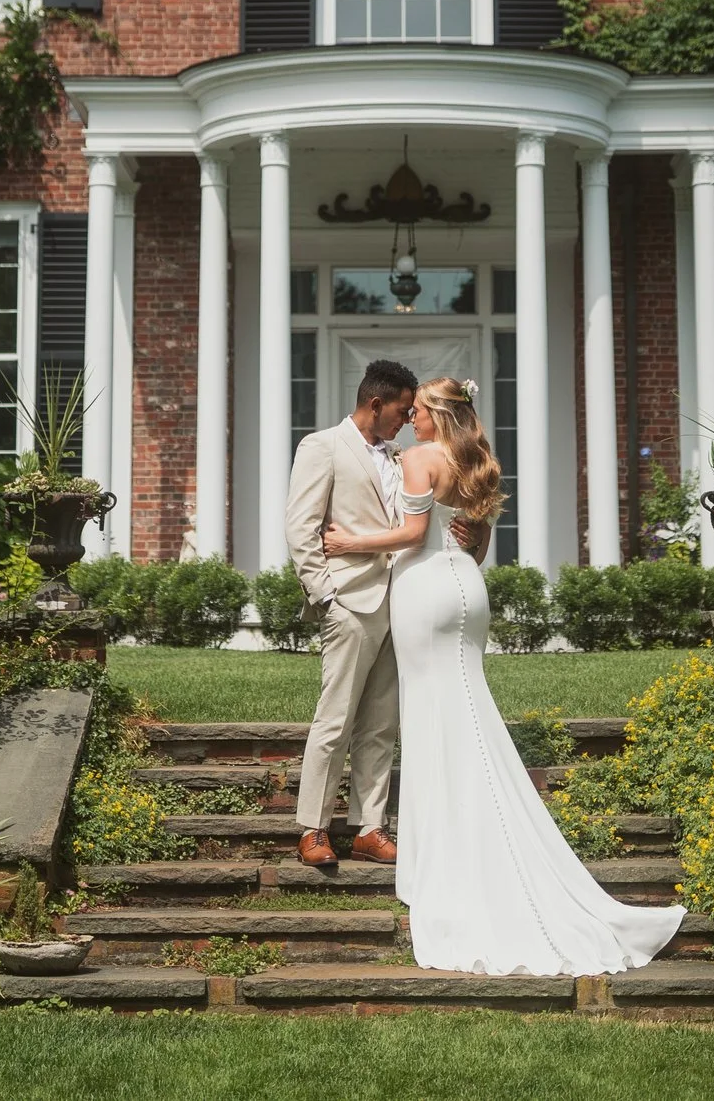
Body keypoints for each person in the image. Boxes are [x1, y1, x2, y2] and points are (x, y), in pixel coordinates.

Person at [324, 376, 687, 974]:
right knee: (465, 711)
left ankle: (447, 852)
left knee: (434, 718)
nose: (410, 420)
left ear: (437, 415)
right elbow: (477, 544)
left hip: (425, 591)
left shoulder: (420, 458)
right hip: (467, 589)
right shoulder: (477, 461)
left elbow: (414, 536)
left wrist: (348, 541)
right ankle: (472, 832)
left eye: (417, 411)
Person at [283, 358, 420, 870]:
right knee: (335, 718)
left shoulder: (398, 456)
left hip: (397, 605)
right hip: (349, 603)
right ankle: (313, 828)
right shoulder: (321, 447)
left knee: (382, 723)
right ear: (375, 402)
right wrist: (325, 596)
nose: (407, 420)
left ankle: (369, 827)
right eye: (402, 411)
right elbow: (301, 527)